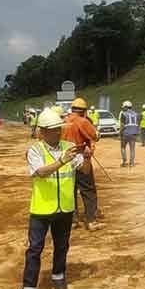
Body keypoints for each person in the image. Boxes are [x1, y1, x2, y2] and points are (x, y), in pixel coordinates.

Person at [20, 108, 80, 289]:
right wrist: (62, 161)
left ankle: (58, 275)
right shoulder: (35, 151)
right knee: (34, 250)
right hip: (42, 208)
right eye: (54, 129)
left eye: (59, 129)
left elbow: (83, 169)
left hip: (65, 207)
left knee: (62, 245)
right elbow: (40, 172)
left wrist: (87, 158)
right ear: (43, 131)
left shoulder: (69, 147)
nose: (58, 132)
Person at [61, 97, 103, 231]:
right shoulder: (82, 121)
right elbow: (95, 136)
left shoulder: (64, 121)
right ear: (84, 111)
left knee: (70, 189)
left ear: (72, 109)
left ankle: (73, 220)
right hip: (80, 157)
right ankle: (91, 221)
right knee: (88, 189)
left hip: (65, 159)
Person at [118, 101, 139, 167]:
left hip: (126, 133)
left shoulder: (123, 114)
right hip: (133, 133)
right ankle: (132, 163)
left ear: (126, 107)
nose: (123, 108)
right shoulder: (136, 114)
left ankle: (124, 162)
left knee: (123, 147)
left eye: (124, 107)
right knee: (132, 149)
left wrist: (120, 133)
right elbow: (137, 123)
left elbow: (122, 125)